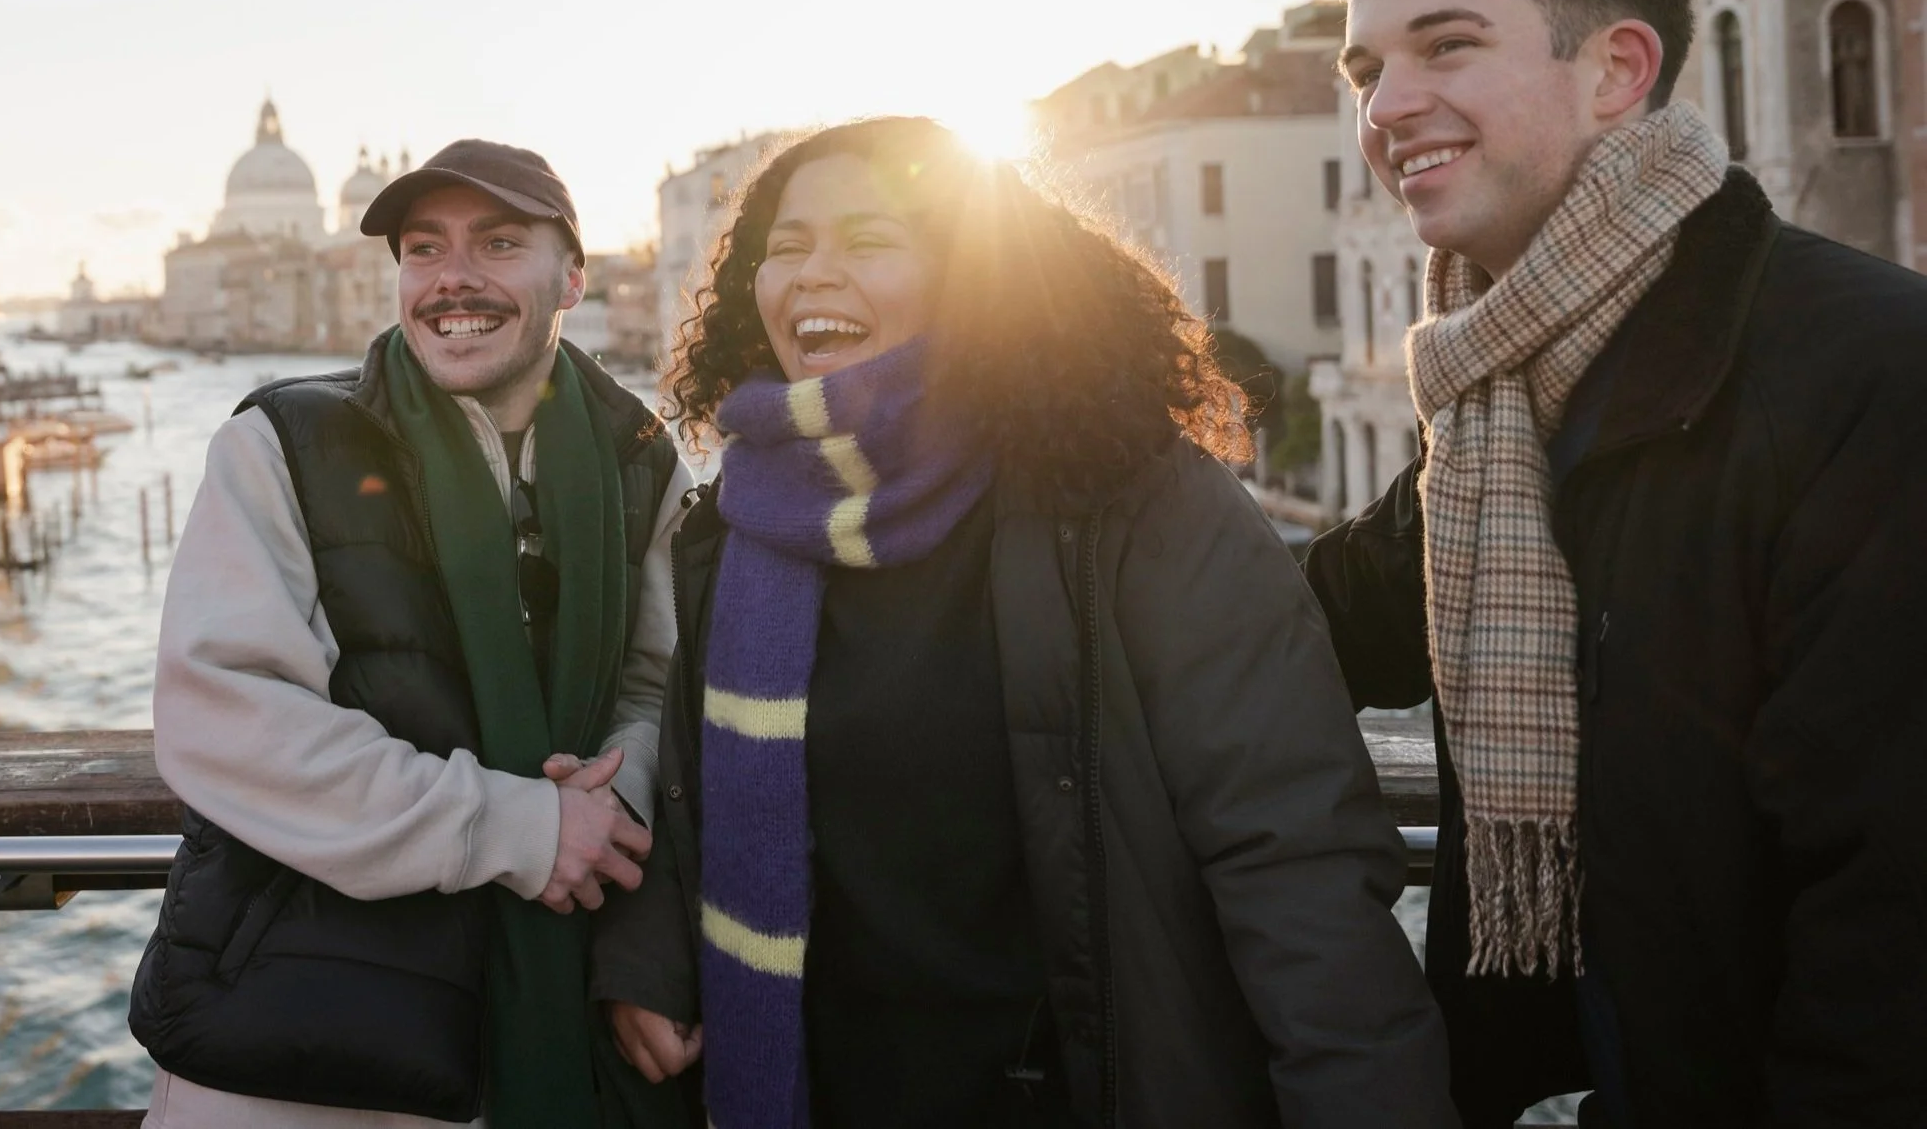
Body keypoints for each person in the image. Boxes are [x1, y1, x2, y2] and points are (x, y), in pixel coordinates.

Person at [591, 116, 1456, 1128]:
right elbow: (695, 784)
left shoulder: (1136, 502)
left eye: (868, 240)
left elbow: (1293, 859)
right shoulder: (733, 529)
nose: (814, 272)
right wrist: (652, 953)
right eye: (787, 246)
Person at [1307, 0, 1927, 1126]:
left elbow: (1891, 905)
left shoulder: (1868, 369)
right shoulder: (1500, 382)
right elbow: (1321, 617)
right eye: (1367, 69)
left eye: (1447, 45)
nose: (1386, 106)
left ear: (1617, 70)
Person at [129, 139, 696, 1129]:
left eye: (499, 243)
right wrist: (519, 828)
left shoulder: (645, 461)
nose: (452, 278)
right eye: (425, 248)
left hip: (568, 989)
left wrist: (606, 812)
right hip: (308, 1037)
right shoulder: (279, 445)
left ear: (573, 278)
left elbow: (659, 686)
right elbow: (226, 719)